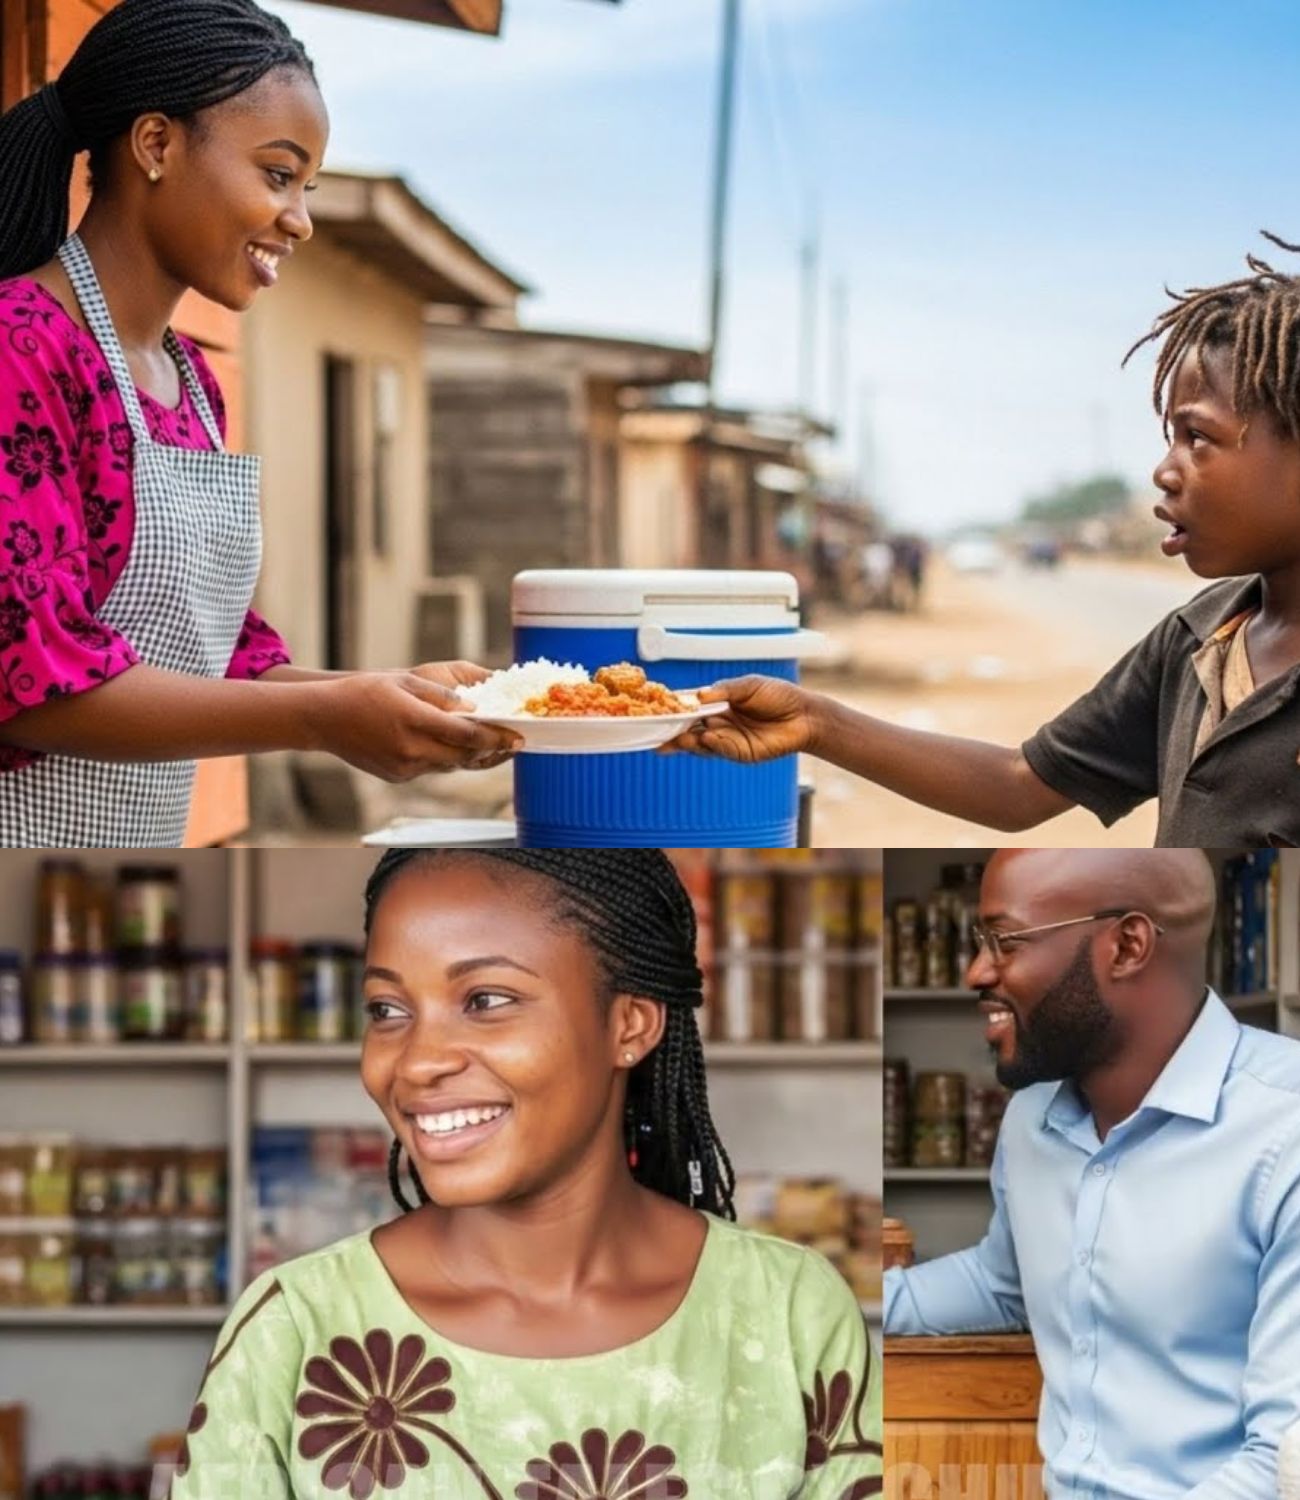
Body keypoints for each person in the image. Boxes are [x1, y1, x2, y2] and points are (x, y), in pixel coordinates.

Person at [173, 850, 881, 1500]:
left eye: (485, 1001)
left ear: (630, 1025)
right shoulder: (294, 1326)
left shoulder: (788, 1312)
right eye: (388, 1010)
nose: (418, 1062)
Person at [0, 0, 518, 847]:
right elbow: (31, 686)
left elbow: (221, 660)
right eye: (278, 175)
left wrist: (393, 694)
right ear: (156, 144)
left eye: (305, 187)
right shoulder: (20, 345)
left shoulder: (191, 383)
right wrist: (324, 717)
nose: (300, 218)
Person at [672, 234, 1300, 847]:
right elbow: (1018, 785)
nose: (1164, 471)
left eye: (1197, 438)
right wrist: (815, 722)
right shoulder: (1199, 637)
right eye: (1170, 440)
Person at [885, 849, 1300, 1500]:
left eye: (1004, 941)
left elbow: (1281, 1463)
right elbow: (1004, 1282)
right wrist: (834, 1297)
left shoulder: (1284, 1129)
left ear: (1127, 946)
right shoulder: (1031, 1118)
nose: (976, 971)